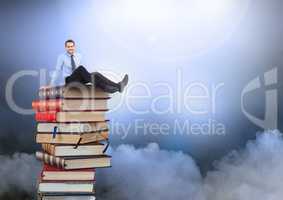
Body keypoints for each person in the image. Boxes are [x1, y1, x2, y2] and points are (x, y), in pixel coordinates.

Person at [49, 39, 128, 93]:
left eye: (72, 46)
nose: (70, 48)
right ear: (66, 47)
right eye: (68, 47)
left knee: (95, 74)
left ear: (74, 47)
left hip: (78, 80)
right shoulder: (61, 57)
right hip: (69, 81)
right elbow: (57, 70)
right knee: (81, 68)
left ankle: (118, 86)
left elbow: (81, 74)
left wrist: (89, 75)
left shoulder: (78, 56)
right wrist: (50, 84)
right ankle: (105, 87)